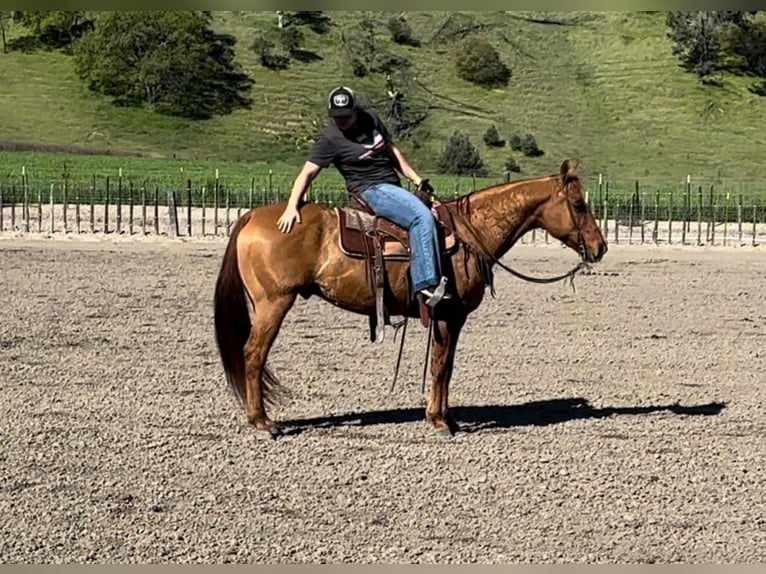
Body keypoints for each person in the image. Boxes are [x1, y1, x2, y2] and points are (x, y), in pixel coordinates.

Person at [276, 86, 450, 307]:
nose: (342, 121)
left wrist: (417, 180)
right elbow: (307, 174)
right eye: (337, 117)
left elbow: (391, 151)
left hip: (392, 187)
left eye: (346, 116)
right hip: (369, 190)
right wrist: (292, 206)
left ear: (356, 111)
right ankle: (426, 283)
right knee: (421, 217)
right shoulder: (330, 139)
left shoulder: (371, 119)